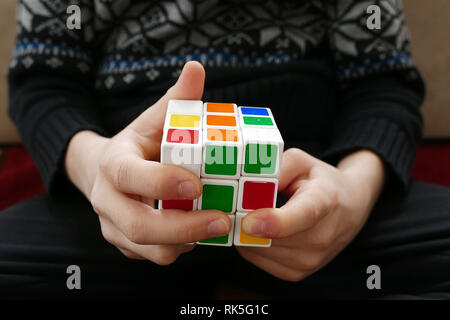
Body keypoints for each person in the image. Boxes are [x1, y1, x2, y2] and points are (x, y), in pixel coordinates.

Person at [2, 0, 449, 299]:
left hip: (313, 190)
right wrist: (98, 168)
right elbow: (44, 81)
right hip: (120, 197)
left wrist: (355, 188)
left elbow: (382, 84)